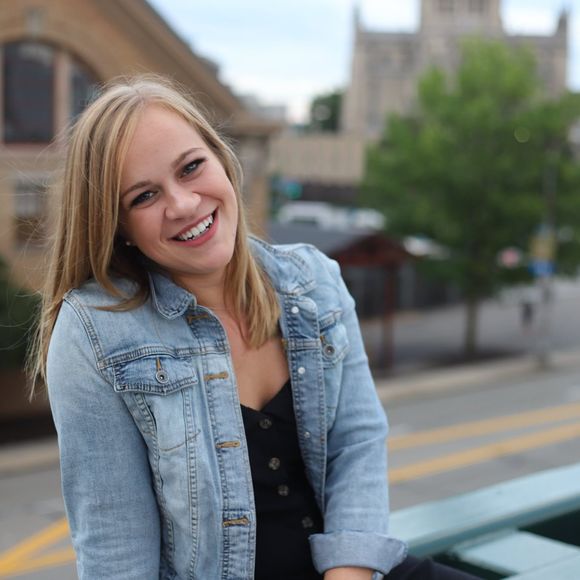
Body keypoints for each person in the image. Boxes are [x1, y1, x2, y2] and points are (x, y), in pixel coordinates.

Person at [30, 75, 479, 579]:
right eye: (144, 196)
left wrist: (349, 573)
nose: (183, 204)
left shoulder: (314, 281)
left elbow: (356, 443)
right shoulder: (95, 334)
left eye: (191, 167)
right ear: (119, 227)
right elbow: (115, 548)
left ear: (223, 160)